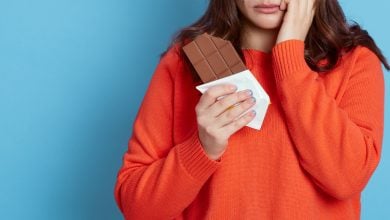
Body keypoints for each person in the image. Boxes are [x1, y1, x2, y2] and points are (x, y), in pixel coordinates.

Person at [114, 0, 389, 219]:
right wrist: (202, 149)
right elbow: (138, 209)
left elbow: (347, 179)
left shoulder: (354, 62)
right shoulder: (184, 62)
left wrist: (289, 56)